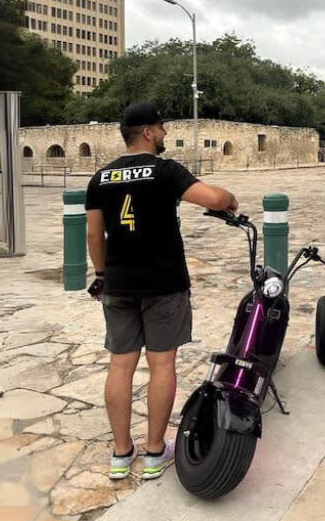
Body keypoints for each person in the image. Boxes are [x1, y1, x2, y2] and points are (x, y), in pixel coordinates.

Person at [85, 102, 238, 481]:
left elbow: (93, 233)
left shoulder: (100, 177)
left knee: (120, 364)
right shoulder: (167, 171)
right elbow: (214, 199)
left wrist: (102, 273)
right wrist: (230, 197)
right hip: (163, 283)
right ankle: (155, 453)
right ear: (149, 132)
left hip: (119, 283)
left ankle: (121, 453)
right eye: (162, 128)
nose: (166, 133)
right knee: (162, 364)